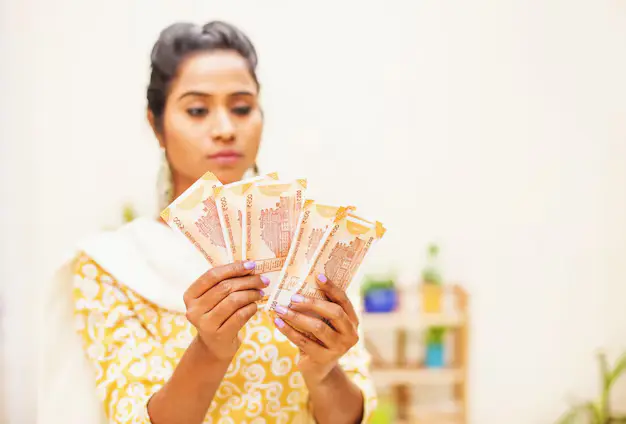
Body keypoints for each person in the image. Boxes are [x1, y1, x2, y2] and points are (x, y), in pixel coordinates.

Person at [38, 21, 376, 424]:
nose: (225, 129)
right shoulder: (113, 266)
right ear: (156, 124)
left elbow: (350, 415)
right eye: (197, 110)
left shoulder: (309, 246)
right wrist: (211, 349)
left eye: (242, 107)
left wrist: (323, 371)